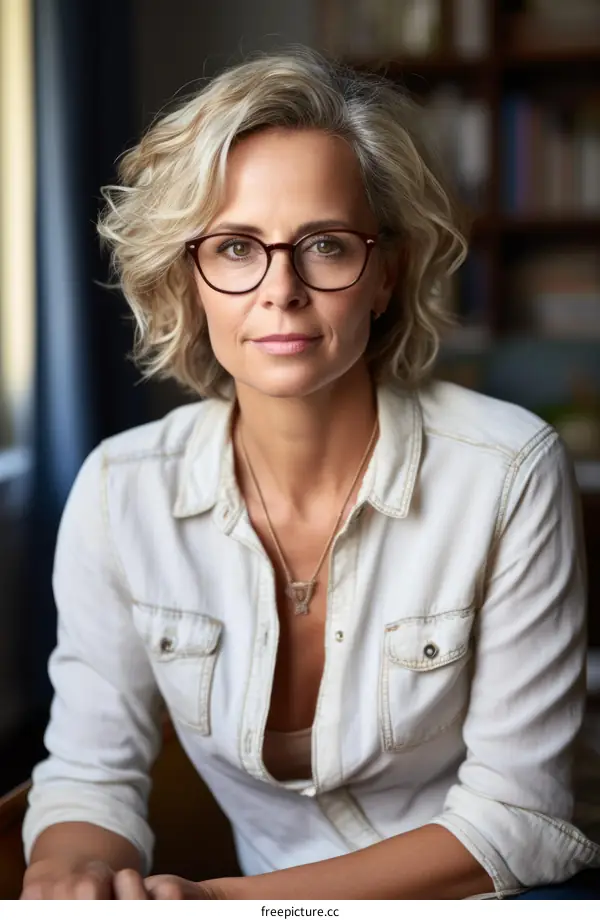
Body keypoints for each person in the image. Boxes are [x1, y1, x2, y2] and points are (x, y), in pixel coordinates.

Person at [20, 47, 600, 900]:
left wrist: (222, 905)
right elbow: (89, 772)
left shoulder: (508, 470)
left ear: (385, 274)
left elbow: (523, 820)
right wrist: (68, 878)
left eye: (325, 245)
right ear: (189, 277)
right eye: (234, 247)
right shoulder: (120, 489)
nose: (280, 289)